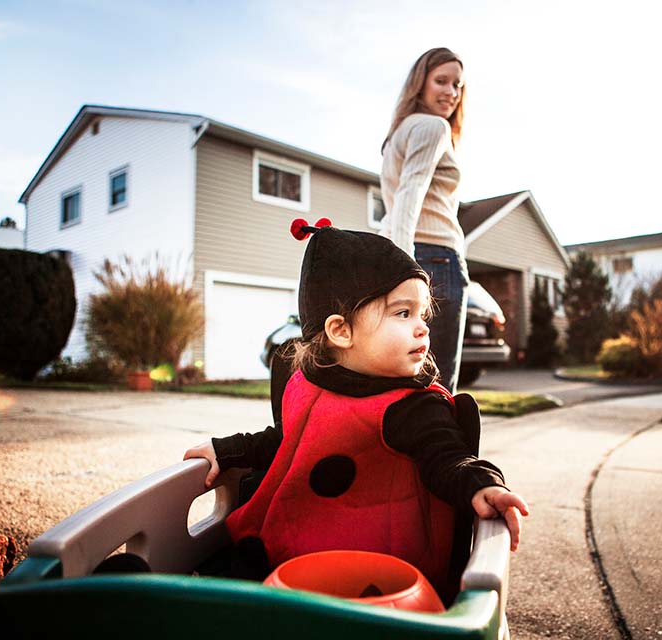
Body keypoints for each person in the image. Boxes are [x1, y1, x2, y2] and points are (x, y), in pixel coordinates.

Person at [183, 220, 528, 597]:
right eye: (402, 313)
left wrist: (482, 484)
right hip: (288, 554)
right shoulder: (305, 384)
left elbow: (447, 456)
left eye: (422, 314)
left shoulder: (411, 405)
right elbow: (286, 439)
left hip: (375, 576)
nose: (423, 328)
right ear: (341, 331)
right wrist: (226, 450)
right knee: (222, 573)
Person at [380, 47, 468, 393]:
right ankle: (445, 448)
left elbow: (396, 203)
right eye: (441, 81)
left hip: (414, 252)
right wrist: (404, 262)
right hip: (434, 260)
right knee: (438, 386)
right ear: (421, 83)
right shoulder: (433, 127)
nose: (451, 92)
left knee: (407, 381)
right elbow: (409, 193)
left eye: (458, 85)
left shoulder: (397, 134)